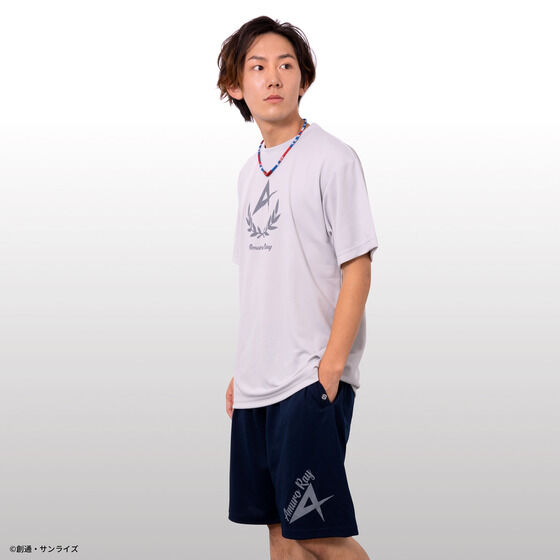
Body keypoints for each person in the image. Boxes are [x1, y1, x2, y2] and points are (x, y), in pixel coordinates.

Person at [217, 16, 379, 560]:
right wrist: (245, 370)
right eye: (258, 67)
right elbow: (261, 280)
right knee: (280, 534)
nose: (273, 77)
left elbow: (357, 267)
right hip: (258, 385)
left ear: (303, 79)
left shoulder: (333, 159)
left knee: (316, 531)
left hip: (309, 378)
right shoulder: (248, 174)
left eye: (286, 65)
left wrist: (330, 367)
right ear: (235, 86)